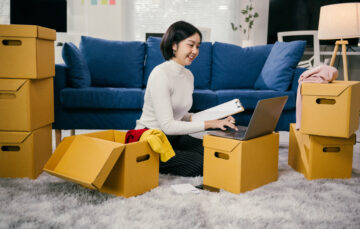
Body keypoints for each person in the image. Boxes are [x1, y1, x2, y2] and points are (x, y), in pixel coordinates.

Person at [136, 21, 237, 177]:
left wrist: (218, 119)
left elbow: (182, 116)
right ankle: (147, 161)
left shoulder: (188, 76)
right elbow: (168, 126)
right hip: (152, 140)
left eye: (198, 46)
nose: (195, 51)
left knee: (217, 152)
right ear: (174, 45)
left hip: (174, 137)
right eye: (190, 45)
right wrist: (210, 124)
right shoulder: (160, 74)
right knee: (200, 164)